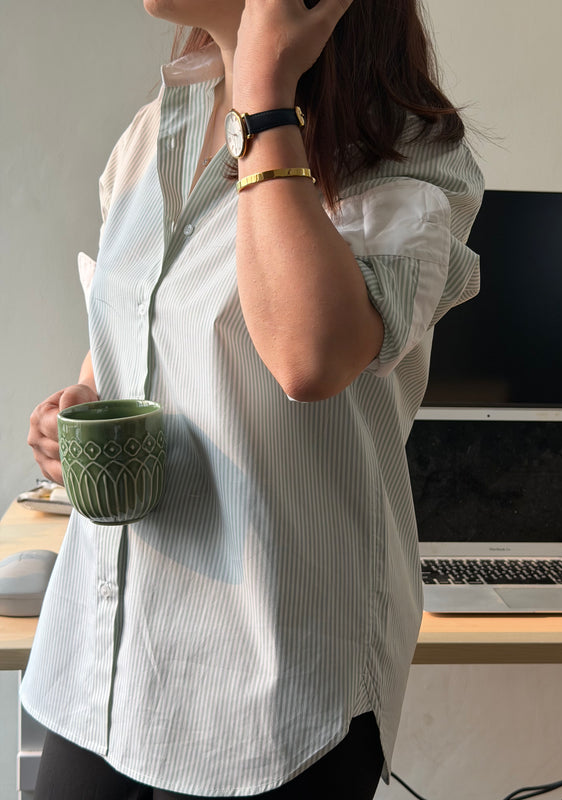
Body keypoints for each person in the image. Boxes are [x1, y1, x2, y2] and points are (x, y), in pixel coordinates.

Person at [25, 0, 484, 797]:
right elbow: (139, 331)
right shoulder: (155, 129)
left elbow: (309, 356)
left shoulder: (397, 150)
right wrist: (83, 402)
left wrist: (265, 95)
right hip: (97, 660)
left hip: (267, 693)